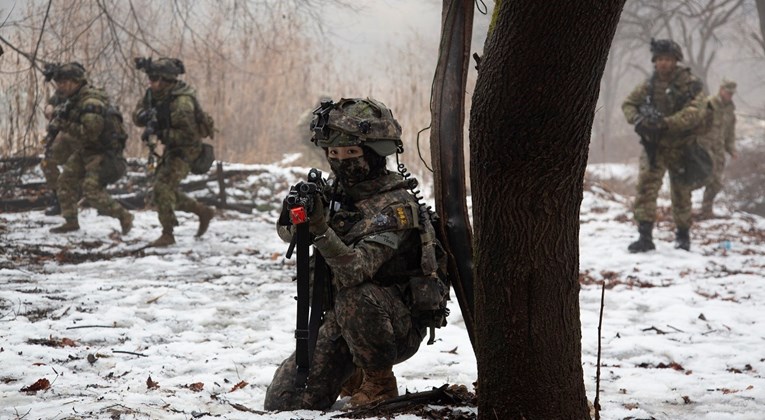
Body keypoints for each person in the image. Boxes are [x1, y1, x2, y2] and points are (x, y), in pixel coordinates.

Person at [264, 98, 446, 410]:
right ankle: (352, 373)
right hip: (343, 323)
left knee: (356, 293)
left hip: (395, 325)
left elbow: (355, 270)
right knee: (285, 402)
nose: (341, 161)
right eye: (333, 154)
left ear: (375, 154)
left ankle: (378, 382)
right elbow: (289, 235)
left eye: (351, 153)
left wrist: (321, 230)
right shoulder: (336, 193)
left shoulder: (395, 205)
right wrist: (296, 216)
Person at [622, 39, 709, 252]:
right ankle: (644, 235)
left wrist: (666, 124)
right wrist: (639, 120)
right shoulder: (649, 84)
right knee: (646, 188)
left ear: (675, 60)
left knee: (681, 191)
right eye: (660, 59)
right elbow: (628, 104)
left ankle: (682, 236)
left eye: (667, 59)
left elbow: (695, 112)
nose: (663, 64)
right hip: (655, 147)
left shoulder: (689, 83)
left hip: (681, 146)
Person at [132, 57, 214, 247]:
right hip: (172, 148)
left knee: (162, 188)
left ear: (164, 80)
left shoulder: (181, 104)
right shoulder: (153, 94)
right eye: (150, 78)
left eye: (154, 78)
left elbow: (189, 136)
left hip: (187, 151)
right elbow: (137, 115)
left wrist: (160, 132)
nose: (150, 82)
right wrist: (143, 117)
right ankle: (202, 211)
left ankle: (167, 234)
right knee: (163, 190)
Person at [47, 62, 134, 235]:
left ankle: (124, 216)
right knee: (65, 181)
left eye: (63, 82)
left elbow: (89, 133)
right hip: (87, 150)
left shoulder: (90, 101)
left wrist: (63, 124)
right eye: (59, 82)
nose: (60, 86)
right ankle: (71, 221)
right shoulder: (75, 98)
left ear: (76, 81)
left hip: (103, 153)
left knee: (91, 191)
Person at [699, 79, 737, 219]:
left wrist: (731, 148)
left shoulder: (730, 109)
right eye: (728, 92)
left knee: (717, 182)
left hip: (719, 149)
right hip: (704, 148)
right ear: (721, 89)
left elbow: (730, 131)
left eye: (732, 93)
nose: (729, 96)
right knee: (703, 178)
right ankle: (682, 208)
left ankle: (706, 210)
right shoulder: (708, 104)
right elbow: (696, 124)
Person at [40, 92, 76, 216]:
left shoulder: (82, 93)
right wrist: (48, 107)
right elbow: (50, 106)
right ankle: (59, 200)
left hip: (77, 137)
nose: (61, 85)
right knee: (47, 163)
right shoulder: (60, 93)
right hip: (59, 137)